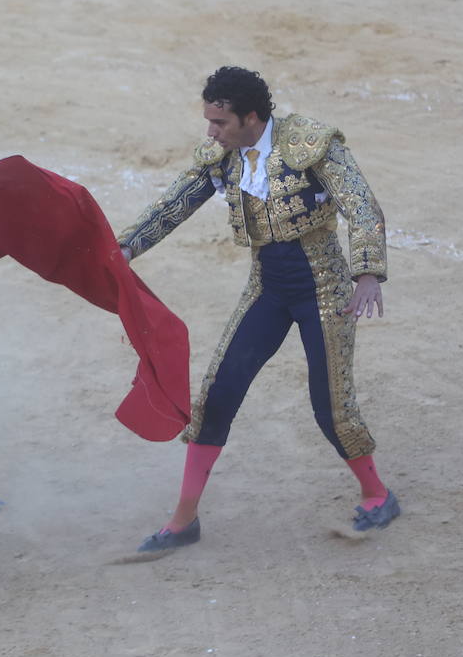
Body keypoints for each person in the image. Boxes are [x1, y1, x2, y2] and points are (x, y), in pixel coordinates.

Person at [116, 66, 399, 551]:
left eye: (219, 123)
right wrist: (122, 250)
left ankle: (378, 494)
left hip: (324, 288)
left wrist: (367, 272)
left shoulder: (310, 143)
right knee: (217, 393)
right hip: (267, 288)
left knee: (331, 406)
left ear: (251, 117)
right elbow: (172, 206)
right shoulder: (224, 155)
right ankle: (184, 520)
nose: (210, 131)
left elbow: (362, 205)